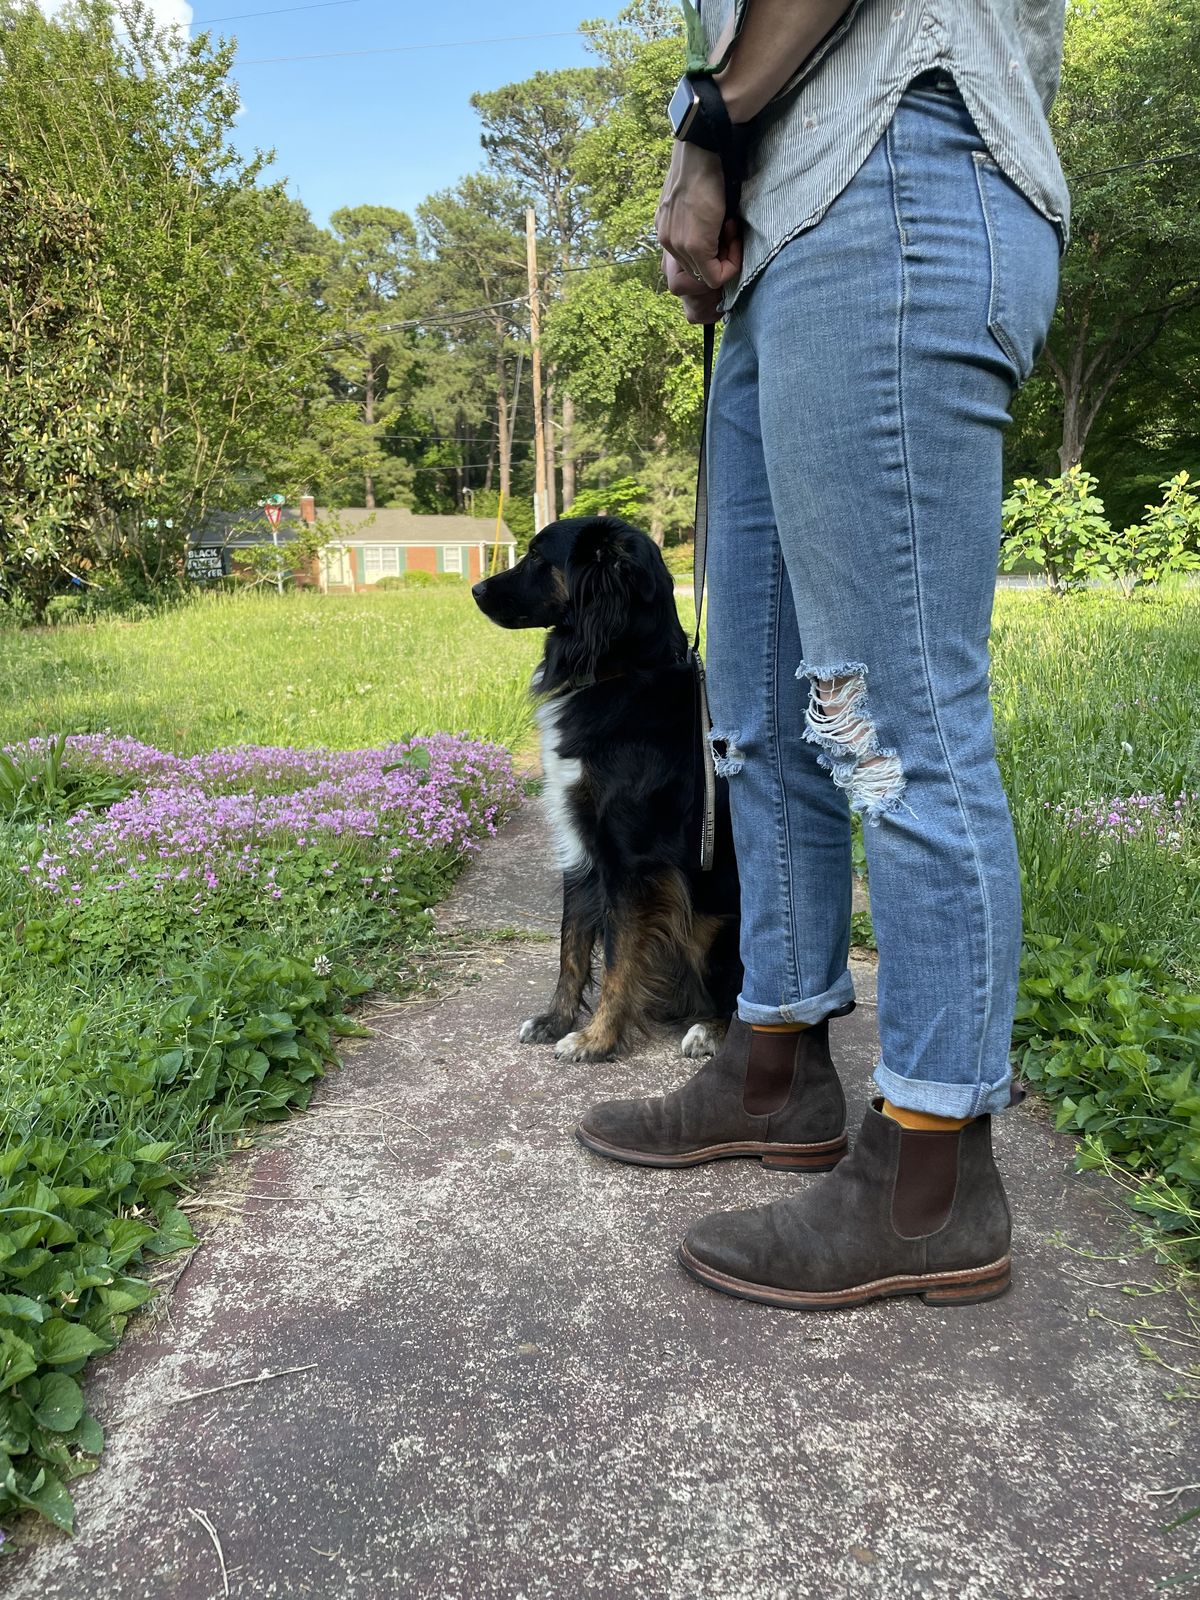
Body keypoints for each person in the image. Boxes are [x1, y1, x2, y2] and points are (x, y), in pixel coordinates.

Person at [575, 0, 1069, 1310]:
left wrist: (707, 126)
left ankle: (931, 1172)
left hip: (898, 173)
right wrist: (721, 167)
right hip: (792, 236)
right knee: (758, 707)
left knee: (893, 710)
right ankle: (777, 1057)